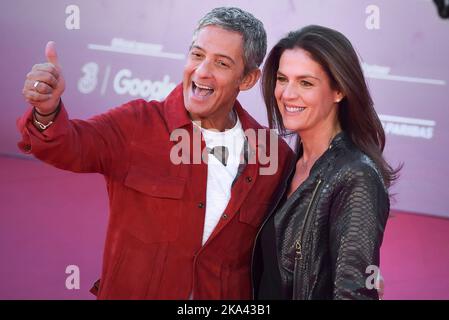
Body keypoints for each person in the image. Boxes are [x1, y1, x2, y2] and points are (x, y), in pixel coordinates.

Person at [18, 7, 294, 299]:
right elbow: (67, 145)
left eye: (222, 63)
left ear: (248, 79)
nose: (202, 71)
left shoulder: (272, 155)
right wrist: (46, 111)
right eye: (197, 55)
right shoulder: (136, 124)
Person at [251, 25, 399, 300]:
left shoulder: (356, 176)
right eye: (282, 79)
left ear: (339, 90)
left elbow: (355, 294)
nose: (287, 94)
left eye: (306, 83)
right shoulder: (286, 164)